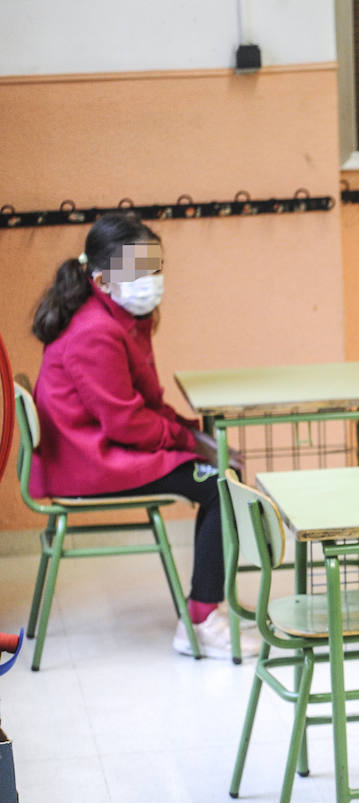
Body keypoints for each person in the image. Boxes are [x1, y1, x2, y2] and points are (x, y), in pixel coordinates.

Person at [29, 212, 256, 659]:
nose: (149, 281)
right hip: (87, 460)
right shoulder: (96, 331)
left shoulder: (125, 316)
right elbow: (127, 423)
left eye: (154, 268)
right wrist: (191, 442)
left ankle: (208, 605)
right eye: (135, 271)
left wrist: (189, 433)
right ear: (101, 278)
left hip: (94, 448)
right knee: (218, 486)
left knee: (218, 469)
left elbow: (142, 403)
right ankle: (201, 622)